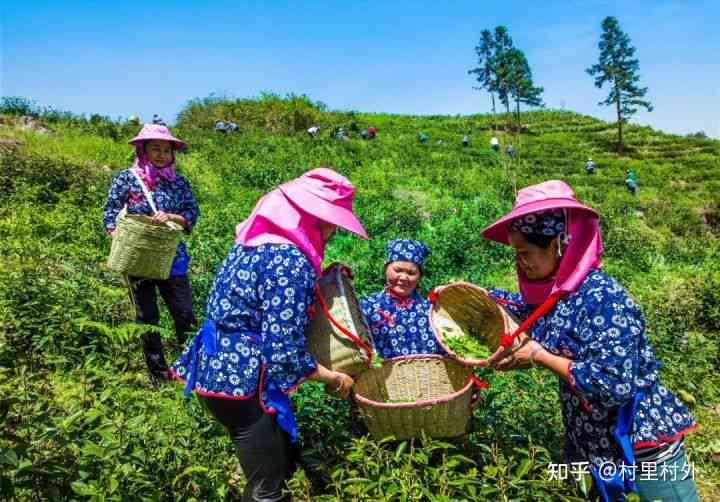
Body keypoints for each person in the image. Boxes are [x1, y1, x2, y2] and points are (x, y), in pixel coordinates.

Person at [481, 180, 698, 502]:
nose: (521, 262)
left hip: (639, 443)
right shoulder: (560, 293)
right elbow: (528, 310)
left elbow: (613, 383)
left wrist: (540, 356)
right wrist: (475, 296)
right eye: (517, 254)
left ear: (559, 243)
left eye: (526, 253)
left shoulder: (604, 299)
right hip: (594, 441)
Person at [171, 168, 368, 502]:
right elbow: (283, 350)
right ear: (311, 218)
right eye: (330, 220)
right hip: (245, 380)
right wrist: (332, 378)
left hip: (215, 366)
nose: (333, 229)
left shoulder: (253, 243)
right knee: (266, 488)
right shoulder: (290, 261)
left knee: (272, 460)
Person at [103, 124, 200, 386]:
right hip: (138, 258)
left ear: (172, 154)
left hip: (172, 257)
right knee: (147, 318)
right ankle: (158, 376)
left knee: (184, 315)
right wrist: (119, 238)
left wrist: (172, 217)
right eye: (154, 149)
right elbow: (110, 211)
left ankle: (189, 370)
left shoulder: (179, 182)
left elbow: (192, 213)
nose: (160, 154)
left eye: (166, 150)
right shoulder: (127, 178)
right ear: (143, 150)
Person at [360, 239, 444, 359]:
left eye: (411, 273)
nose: (403, 277)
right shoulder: (368, 306)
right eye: (398, 270)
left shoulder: (430, 310)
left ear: (420, 276)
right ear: (385, 269)